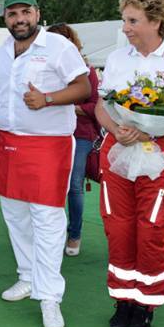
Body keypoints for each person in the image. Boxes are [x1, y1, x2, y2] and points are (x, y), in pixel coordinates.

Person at [96, 0, 164, 327]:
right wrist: (117, 130)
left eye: (132, 21)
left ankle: (145, 304)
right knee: (118, 228)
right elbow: (101, 106)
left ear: (156, 21)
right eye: (124, 20)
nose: (125, 28)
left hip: (161, 154)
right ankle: (123, 299)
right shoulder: (117, 58)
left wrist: (147, 132)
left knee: (151, 230)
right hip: (118, 152)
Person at [0, 0, 90, 327]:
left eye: (25, 12)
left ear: (37, 13)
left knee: (47, 220)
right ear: (5, 18)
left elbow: (84, 88)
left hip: (49, 144)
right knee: (15, 215)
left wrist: (47, 98)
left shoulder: (58, 46)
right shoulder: (3, 50)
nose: (19, 19)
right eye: (12, 14)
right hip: (9, 142)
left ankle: (50, 297)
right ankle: (27, 277)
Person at [46, 23, 100, 257]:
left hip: (80, 134)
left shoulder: (86, 71)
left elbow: (95, 105)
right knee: (47, 184)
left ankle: (74, 234)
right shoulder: (42, 68)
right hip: (48, 133)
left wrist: (66, 105)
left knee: (74, 183)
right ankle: (48, 233)